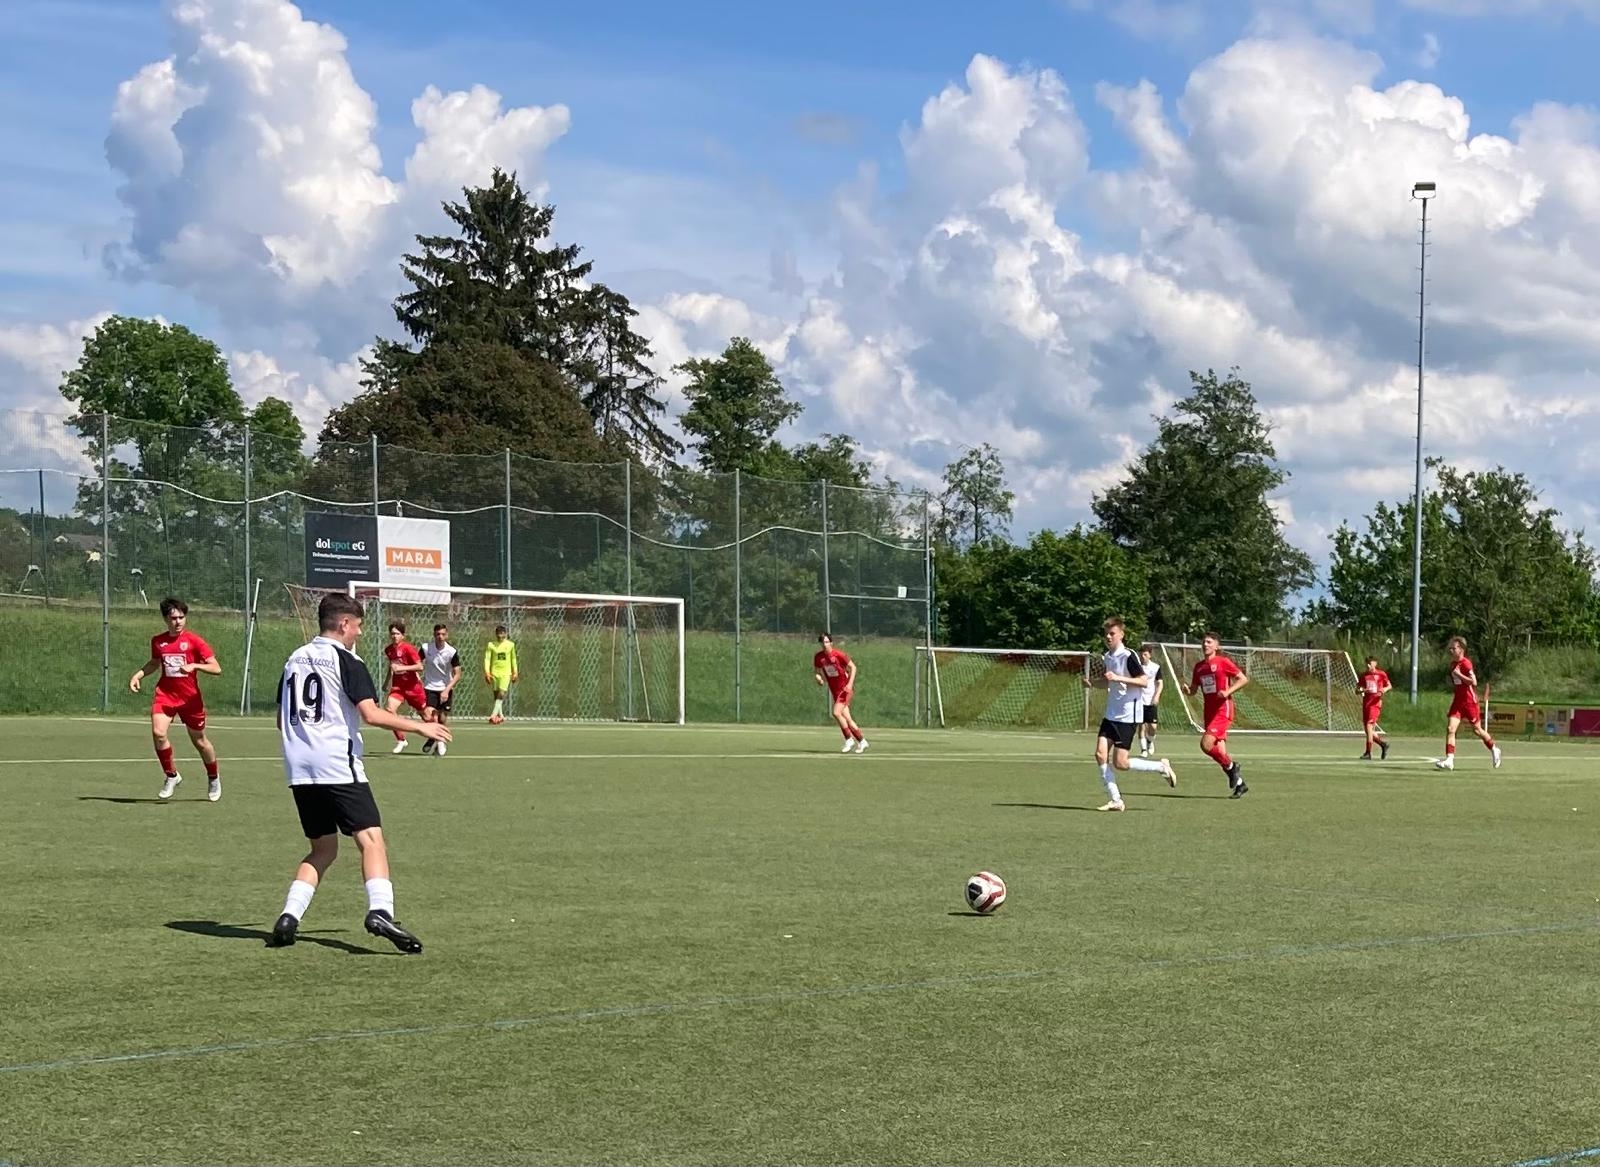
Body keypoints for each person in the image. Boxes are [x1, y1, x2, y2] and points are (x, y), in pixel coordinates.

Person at [267, 592, 450, 952]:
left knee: (322, 849)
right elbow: (371, 714)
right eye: (359, 626)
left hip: (300, 770)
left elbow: (280, 719)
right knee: (371, 840)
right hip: (337, 765)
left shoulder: (294, 659)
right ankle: (381, 911)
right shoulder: (347, 660)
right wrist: (421, 726)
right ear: (344, 624)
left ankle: (288, 917)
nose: (360, 633)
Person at [129, 597, 223, 801]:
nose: (178, 621)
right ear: (165, 619)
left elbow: (216, 668)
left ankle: (213, 777)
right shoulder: (158, 641)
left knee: (199, 741)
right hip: (165, 695)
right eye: (173, 618)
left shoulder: (194, 641)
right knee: (158, 733)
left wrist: (195, 666)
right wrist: (139, 675)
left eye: (181, 617)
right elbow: (154, 663)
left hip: (190, 699)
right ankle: (172, 775)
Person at [1083, 620, 1176, 811]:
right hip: (1111, 713)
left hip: (1128, 715)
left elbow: (1143, 681)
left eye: (1112, 633)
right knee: (1100, 754)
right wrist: (1092, 683)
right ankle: (1116, 799)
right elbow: (1109, 682)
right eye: (1106, 633)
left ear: (1121, 635)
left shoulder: (1128, 656)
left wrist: (1118, 677)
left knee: (1121, 763)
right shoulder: (1107, 657)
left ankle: (1161, 767)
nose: (1108, 636)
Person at [1182, 632, 1250, 797]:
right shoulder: (1199, 667)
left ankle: (1233, 767)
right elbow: (1194, 690)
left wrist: (1227, 692)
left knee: (1205, 744)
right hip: (1209, 712)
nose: (1205, 645)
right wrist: (1187, 691)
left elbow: (1243, 679)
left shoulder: (1223, 662)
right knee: (1220, 752)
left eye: (1209, 642)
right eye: (1204, 642)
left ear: (1216, 646)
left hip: (1222, 710)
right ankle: (1240, 784)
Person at [1434, 636, 1501, 770]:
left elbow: (1473, 682)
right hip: (1458, 702)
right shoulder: (1452, 664)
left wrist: (1459, 675)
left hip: (1469, 702)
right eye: (1450, 648)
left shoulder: (1466, 664)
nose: (1451, 650)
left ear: (1461, 649)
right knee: (1450, 729)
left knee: (1477, 730)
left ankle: (1494, 748)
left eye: (1454, 648)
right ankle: (1449, 760)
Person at [814, 633, 868, 754]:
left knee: (836, 712)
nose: (825, 644)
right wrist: (819, 678)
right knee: (848, 719)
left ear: (831, 643)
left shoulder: (839, 655)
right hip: (835, 691)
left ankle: (849, 739)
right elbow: (817, 671)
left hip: (844, 689)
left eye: (827, 642)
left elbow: (853, 667)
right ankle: (862, 741)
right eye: (823, 642)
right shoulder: (819, 657)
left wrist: (850, 684)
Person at [382, 621, 426, 754]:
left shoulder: (408, 648)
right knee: (390, 710)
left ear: (403, 635)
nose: (394, 636)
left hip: (413, 687)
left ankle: (438, 739)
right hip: (398, 688)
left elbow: (420, 666)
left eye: (397, 634)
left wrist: (402, 668)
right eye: (392, 634)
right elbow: (392, 667)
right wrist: (386, 682)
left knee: (426, 716)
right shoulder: (389, 650)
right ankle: (401, 739)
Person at [420, 623, 461, 757]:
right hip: (429, 687)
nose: (440, 637)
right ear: (434, 635)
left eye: (443, 634)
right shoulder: (426, 648)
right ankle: (440, 741)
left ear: (446, 635)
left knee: (442, 718)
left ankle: (434, 738)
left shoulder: (451, 652)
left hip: (445, 688)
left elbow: (457, 674)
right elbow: (416, 664)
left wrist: (447, 690)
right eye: (438, 634)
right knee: (431, 716)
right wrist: (417, 679)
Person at [1357, 655, 1392, 761]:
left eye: (1370, 663)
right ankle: (1383, 745)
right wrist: (1361, 690)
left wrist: (1384, 690)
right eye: (1367, 664)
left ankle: (1368, 753)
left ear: (1375, 664)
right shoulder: (1364, 676)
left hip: (1375, 704)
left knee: (1369, 726)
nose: (1368, 666)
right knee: (1368, 731)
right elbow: (1357, 689)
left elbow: (1389, 685)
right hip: (1366, 703)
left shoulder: (1381, 674)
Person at [483, 624, 519, 725]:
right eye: (498, 634)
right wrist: (487, 672)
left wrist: (515, 672)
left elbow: (513, 658)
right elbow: (487, 659)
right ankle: (501, 715)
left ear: (506, 634)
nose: (500, 636)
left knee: (502, 693)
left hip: (506, 673)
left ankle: (493, 715)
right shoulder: (491, 645)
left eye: (502, 634)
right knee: (496, 695)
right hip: (495, 673)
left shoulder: (511, 645)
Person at [1137, 643, 1164, 757]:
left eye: (1145, 654)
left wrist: (1156, 696)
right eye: (1141, 654)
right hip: (1139, 700)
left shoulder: (1155, 667)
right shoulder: (1137, 667)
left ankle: (1150, 741)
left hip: (1151, 700)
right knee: (1141, 725)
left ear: (1150, 655)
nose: (1143, 657)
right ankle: (1143, 750)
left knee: (1153, 727)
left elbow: (1160, 683)